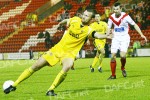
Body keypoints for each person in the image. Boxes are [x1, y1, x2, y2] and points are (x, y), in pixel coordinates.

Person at [4, 9, 111, 96]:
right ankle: (15, 84)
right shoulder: (75, 19)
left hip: (69, 53)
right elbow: (68, 20)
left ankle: (50, 89)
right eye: (84, 14)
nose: (84, 17)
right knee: (36, 66)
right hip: (57, 49)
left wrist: (106, 35)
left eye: (87, 16)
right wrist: (61, 22)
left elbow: (97, 35)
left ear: (91, 19)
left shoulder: (89, 29)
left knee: (68, 66)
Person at [107, 2, 147, 79]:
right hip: (115, 38)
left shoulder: (125, 16)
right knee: (113, 56)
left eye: (117, 9)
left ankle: (123, 68)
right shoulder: (111, 17)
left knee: (122, 56)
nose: (115, 11)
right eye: (114, 9)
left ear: (121, 9)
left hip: (124, 38)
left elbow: (134, 24)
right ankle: (113, 75)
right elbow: (108, 27)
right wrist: (108, 34)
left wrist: (141, 34)